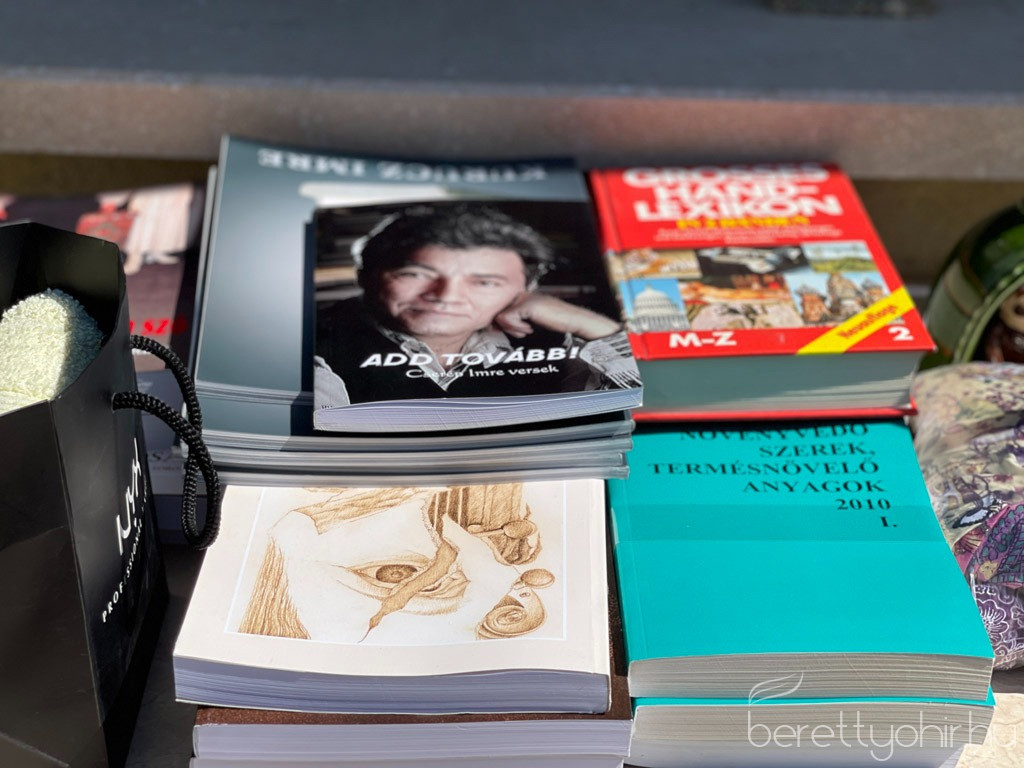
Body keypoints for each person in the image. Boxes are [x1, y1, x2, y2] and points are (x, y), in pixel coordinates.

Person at [314, 203, 640, 407]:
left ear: (526, 290)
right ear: (366, 275)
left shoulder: (554, 340)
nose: (446, 296)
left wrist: (590, 326)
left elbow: (639, 404)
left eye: (484, 282)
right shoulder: (313, 342)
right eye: (415, 274)